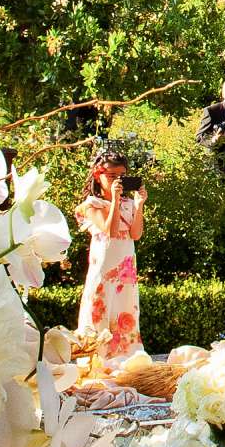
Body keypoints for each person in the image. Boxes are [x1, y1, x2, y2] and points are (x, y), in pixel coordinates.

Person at [75, 148, 145, 363]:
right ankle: (95, 360)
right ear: (98, 175)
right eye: (112, 176)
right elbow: (110, 230)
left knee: (125, 312)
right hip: (104, 273)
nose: (117, 180)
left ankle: (126, 359)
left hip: (125, 274)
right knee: (99, 313)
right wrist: (114, 199)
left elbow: (136, 234)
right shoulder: (91, 205)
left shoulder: (128, 204)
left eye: (121, 176)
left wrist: (139, 205)